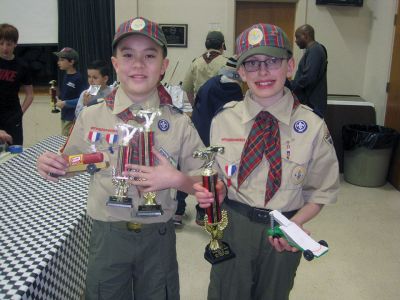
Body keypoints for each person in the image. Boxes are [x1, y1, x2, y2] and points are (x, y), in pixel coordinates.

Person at [37, 17, 204, 299]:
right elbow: (71, 163)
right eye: (128, 55)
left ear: (163, 66)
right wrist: (54, 166)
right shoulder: (91, 116)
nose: (138, 65)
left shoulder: (178, 123)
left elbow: (206, 182)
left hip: (158, 238)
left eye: (149, 56)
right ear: (115, 64)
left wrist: (178, 179)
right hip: (107, 233)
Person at [194, 23, 339, 300]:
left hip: (283, 231)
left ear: (290, 66)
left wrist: (296, 225)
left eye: (273, 61)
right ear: (241, 72)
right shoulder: (223, 121)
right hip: (234, 225)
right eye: (253, 63)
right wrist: (217, 190)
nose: (262, 72)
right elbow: (217, 176)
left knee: (274, 294)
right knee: (226, 292)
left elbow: (321, 191)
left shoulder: (312, 126)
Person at [190, 55, 244, 226]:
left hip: (202, 132)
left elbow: (197, 105)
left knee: (203, 172)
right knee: (221, 174)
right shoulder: (234, 90)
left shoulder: (210, 84)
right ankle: (217, 210)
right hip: (224, 139)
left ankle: (200, 212)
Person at [0, 23, 34, 145]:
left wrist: (20, 112)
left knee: (15, 149)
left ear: (15, 44)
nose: (5, 48)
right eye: (1, 43)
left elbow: (30, 94)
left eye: (8, 44)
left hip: (12, 115)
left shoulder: (22, 66)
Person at [182, 30, 228, 105]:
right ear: (222, 45)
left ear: (206, 45)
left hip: (201, 108)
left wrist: (194, 106)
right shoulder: (227, 63)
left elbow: (188, 89)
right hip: (220, 109)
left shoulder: (195, 63)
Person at [291, 24, 328, 117]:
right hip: (309, 103)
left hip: (311, 104)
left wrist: (292, 87)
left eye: (298, 37)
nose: (296, 41)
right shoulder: (313, 50)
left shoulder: (315, 50)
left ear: (306, 35)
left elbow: (309, 77)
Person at [53, 47, 86, 136]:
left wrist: (65, 103)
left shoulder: (78, 78)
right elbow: (66, 95)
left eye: (62, 60)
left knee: (66, 141)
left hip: (73, 117)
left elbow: (83, 99)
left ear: (71, 62)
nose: (58, 62)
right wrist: (56, 94)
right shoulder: (66, 76)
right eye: (59, 60)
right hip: (65, 115)